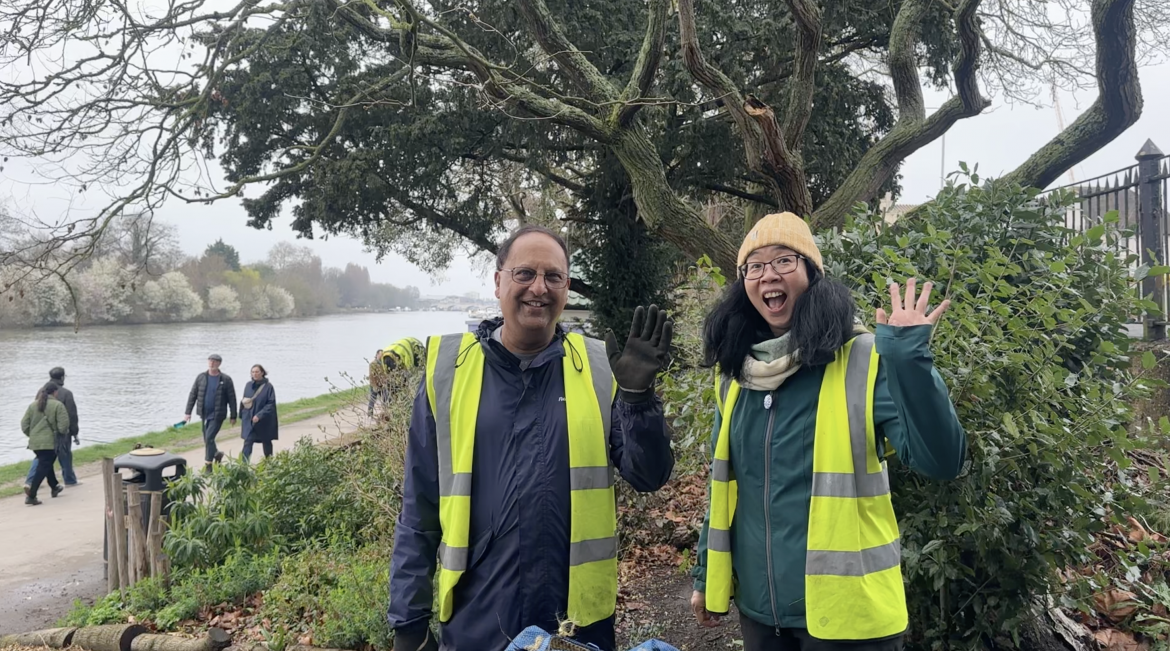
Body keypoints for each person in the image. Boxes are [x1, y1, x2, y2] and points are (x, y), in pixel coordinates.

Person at [388, 225, 676, 651]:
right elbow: (419, 509)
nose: (539, 288)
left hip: (577, 627)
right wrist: (409, 623)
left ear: (566, 288)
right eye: (525, 274)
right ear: (498, 281)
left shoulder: (599, 369)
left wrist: (636, 400)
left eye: (554, 277)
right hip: (478, 622)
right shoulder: (447, 373)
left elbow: (649, 474)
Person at [688, 212, 967, 650]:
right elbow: (723, 489)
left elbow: (941, 460)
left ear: (812, 273)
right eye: (754, 266)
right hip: (762, 616)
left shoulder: (861, 358)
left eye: (783, 261)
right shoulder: (735, 376)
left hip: (849, 621)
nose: (768, 275)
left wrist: (910, 361)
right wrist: (707, 576)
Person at [23, 366, 81, 493]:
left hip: (40, 434)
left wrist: (32, 433)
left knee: (41, 458)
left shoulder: (40, 391)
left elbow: (32, 415)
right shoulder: (66, 393)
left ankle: (30, 481)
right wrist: (74, 432)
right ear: (62, 377)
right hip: (60, 432)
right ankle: (69, 480)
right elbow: (71, 414)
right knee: (64, 454)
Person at [184, 353, 238, 473]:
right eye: (210, 361)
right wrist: (188, 412)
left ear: (219, 363)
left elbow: (232, 398)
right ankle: (217, 454)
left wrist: (233, 415)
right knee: (207, 439)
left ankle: (208, 465)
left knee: (209, 438)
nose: (212, 363)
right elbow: (193, 394)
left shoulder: (226, 379)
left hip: (218, 414)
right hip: (204, 413)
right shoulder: (201, 377)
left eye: (214, 361)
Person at [21, 382, 71, 506]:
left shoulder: (33, 405)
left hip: (35, 443)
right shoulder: (58, 405)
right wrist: (59, 433)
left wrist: (33, 435)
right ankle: (32, 495)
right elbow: (63, 426)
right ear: (55, 392)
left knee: (46, 463)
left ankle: (54, 486)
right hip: (50, 443)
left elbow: (24, 425)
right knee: (43, 467)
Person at [240, 364, 279, 461]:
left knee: (266, 442)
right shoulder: (248, 385)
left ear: (262, 373)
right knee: (248, 441)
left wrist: (259, 415)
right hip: (250, 420)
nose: (255, 374)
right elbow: (245, 401)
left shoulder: (268, 387)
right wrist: (241, 414)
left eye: (257, 372)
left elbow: (270, 404)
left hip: (264, 421)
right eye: (253, 372)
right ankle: (243, 467)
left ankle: (270, 464)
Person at [369, 349, 389, 416]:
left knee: (386, 398)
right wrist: (374, 386)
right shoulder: (373, 364)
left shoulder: (383, 363)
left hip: (382, 385)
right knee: (372, 400)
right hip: (375, 385)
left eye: (382, 355)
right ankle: (370, 414)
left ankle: (387, 412)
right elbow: (371, 376)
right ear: (377, 354)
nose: (381, 356)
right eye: (380, 354)